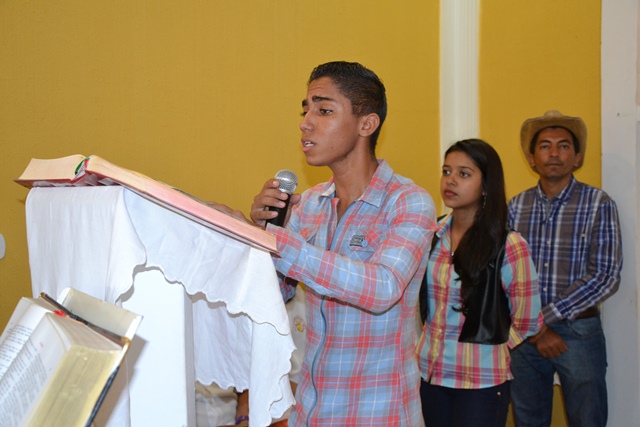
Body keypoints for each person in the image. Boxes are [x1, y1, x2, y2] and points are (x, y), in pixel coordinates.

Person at [249, 61, 437, 425]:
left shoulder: (408, 202)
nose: (306, 123)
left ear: (366, 124)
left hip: (377, 412)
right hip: (311, 410)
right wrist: (259, 237)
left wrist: (281, 243)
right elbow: (277, 293)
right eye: (305, 110)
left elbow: (382, 288)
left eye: (324, 110)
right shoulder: (311, 204)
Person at [508, 110, 623, 427]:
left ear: (578, 157)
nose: (554, 153)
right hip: (525, 337)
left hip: (579, 332)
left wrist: (541, 320)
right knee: (528, 419)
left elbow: (605, 275)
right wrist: (536, 329)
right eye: (544, 146)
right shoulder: (515, 207)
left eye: (563, 146)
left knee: (588, 419)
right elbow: (505, 273)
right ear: (532, 159)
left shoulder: (598, 203)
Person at [416, 139, 541, 427]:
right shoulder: (432, 235)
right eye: (446, 171)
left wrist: (493, 348)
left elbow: (528, 319)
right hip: (429, 374)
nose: (450, 181)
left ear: (486, 186)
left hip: (480, 381)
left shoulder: (508, 244)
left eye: (464, 174)